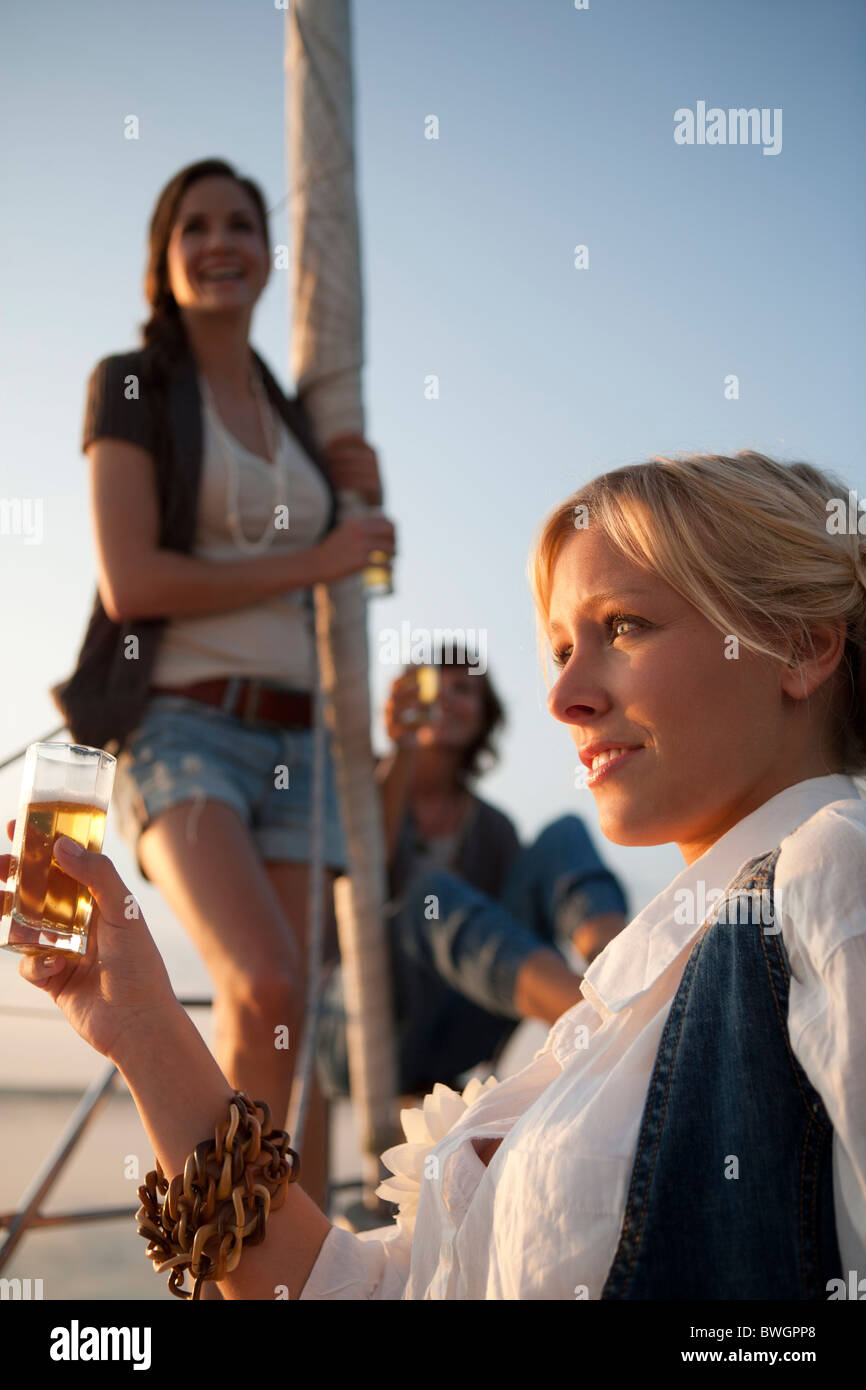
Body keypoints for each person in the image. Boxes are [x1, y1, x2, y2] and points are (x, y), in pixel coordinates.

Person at [16, 449, 866, 1299]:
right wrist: (141, 1026)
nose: (563, 695)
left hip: (478, 1011)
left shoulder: (832, 872)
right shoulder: (627, 1007)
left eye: (625, 627)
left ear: (799, 646)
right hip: (384, 1015)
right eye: (563, 646)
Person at [48, 158, 396, 1213]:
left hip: (300, 744)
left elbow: (354, 572)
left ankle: (255, 1260)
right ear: (163, 256)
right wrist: (320, 555)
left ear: (265, 249)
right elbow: (133, 576)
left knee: (284, 1012)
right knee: (267, 978)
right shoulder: (132, 382)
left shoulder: (296, 417)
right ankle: (229, 1253)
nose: (218, 241)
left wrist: (359, 508)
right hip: (183, 727)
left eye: (239, 222)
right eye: (192, 225)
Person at [317, 659, 628, 1102]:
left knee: (564, 833)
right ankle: (613, 1029)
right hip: (361, 1023)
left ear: (484, 714)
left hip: (457, 1027)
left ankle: (623, 984)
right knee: (431, 894)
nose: (443, 698)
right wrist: (402, 749)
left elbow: (509, 937)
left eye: (462, 689)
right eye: (430, 687)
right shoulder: (362, 790)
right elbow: (359, 886)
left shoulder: (492, 828)